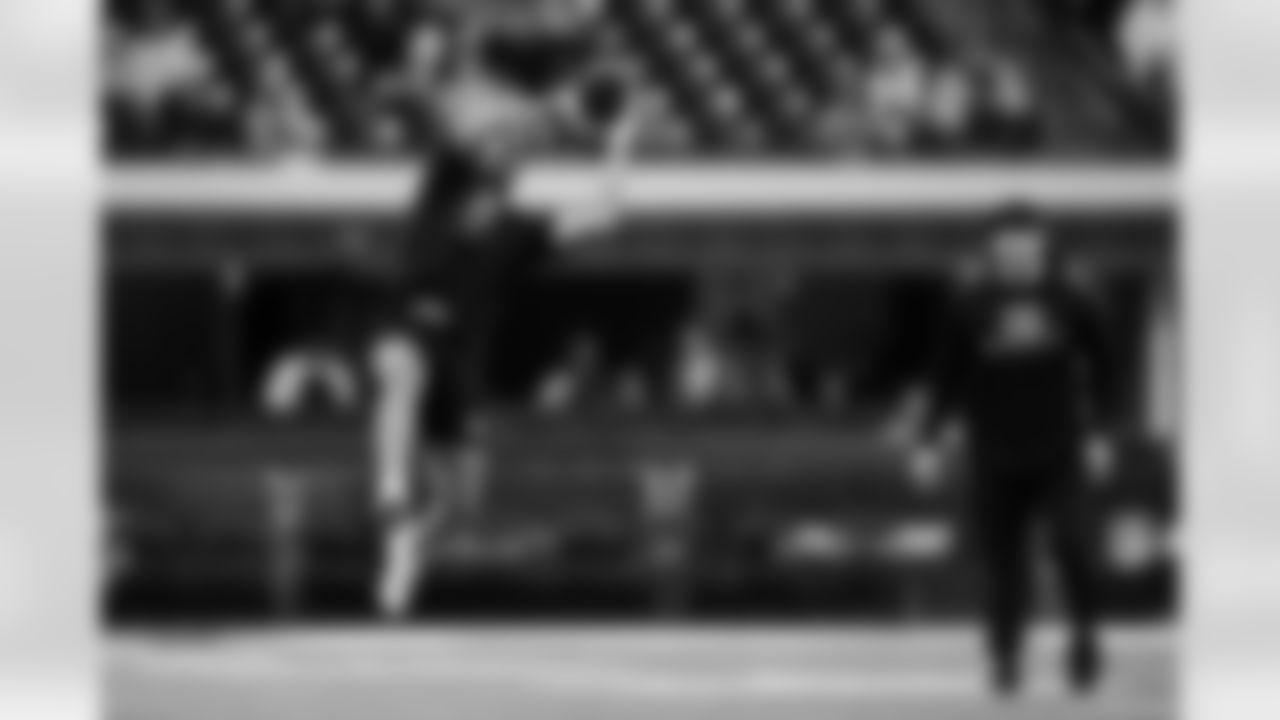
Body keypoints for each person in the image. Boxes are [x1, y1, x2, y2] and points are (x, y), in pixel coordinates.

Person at [367, 122, 637, 620]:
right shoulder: (437, 198)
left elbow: (606, 214)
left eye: (502, 180)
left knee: (459, 502)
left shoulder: (516, 235)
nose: (488, 194)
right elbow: (460, 130)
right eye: (488, 171)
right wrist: (539, 118)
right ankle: (392, 492)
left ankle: (407, 541)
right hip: (409, 330)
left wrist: (617, 149)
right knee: (401, 369)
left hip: (462, 362)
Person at [897, 204, 1118, 696]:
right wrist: (927, 443)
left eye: (1026, 246)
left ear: (1043, 247)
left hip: (1060, 450)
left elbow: (1105, 369)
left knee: (1073, 546)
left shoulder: (1073, 299)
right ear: (992, 251)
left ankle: (1084, 635)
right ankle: (1006, 658)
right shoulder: (969, 305)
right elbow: (945, 379)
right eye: (1005, 248)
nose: (1016, 256)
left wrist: (1101, 433)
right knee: (1004, 566)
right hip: (994, 453)